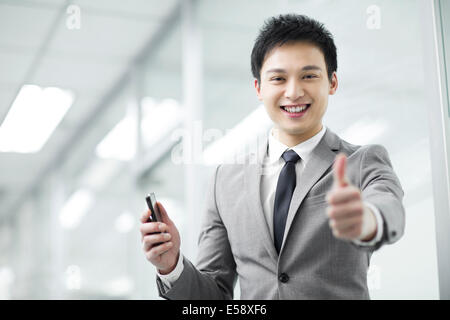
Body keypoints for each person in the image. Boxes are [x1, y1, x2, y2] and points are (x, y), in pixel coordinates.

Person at [139, 14, 405, 300]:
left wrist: (368, 220)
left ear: (332, 82)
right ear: (258, 88)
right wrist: (171, 266)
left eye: (309, 76)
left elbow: (389, 207)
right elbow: (214, 295)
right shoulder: (225, 181)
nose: (293, 92)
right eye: (278, 78)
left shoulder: (363, 161)